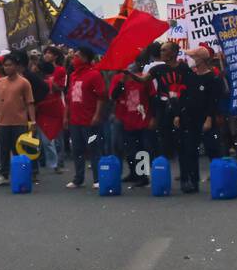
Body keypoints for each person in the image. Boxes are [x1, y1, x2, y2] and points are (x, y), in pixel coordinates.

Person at [177, 47, 224, 193]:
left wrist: (209, 119)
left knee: (212, 149)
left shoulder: (213, 79)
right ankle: (193, 181)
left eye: (193, 57)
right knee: (191, 151)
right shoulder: (191, 77)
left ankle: (220, 180)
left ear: (200, 59)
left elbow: (213, 101)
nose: (191, 60)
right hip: (191, 119)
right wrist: (179, 115)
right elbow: (184, 98)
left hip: (206, 119)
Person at [64, 47, 108, 189]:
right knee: (77, 150)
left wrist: (97, 115)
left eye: (77, 56)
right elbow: (69, 98)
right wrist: (66, 116)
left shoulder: (94, 74)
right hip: (75, 121)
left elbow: (101, 97)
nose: (74, 59)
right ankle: (78, 178)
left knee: (93, 149)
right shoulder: (73, 76)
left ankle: (98, 178)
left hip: (89, 121)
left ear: (85, 58)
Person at [0, 51, 35, 186]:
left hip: (19, 122)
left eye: (10, 65)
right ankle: (4, 175)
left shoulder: (24, 82)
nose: (7, 68)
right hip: (3, 123)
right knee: (3, 150)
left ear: (16, 66)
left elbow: (30, 103)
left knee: (20, 150)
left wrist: (32, 121)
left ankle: (23, 174)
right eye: (5, 65)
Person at [111, 58, 155, 186]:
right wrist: (121, 83)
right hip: (127, 119)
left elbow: (152, 98)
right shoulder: (122, 81)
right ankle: (133, 173)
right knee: (130, 149)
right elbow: (114, 96)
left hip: (143, 119)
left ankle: (143, 176)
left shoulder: (144, 80)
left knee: (142, 149)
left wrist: (153, 117)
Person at [148, 42, 192, 160]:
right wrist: (129, 74)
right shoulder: (157, 69)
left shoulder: (184, 68)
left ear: (172, 53)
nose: (160, 52)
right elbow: (143, 79)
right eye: (161, 50)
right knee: (164, 132)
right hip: (163, 106)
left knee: (181, 135)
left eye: (164, 50)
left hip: (180, 105)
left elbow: (190, 87)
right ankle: (167, 156)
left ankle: (182, 158)